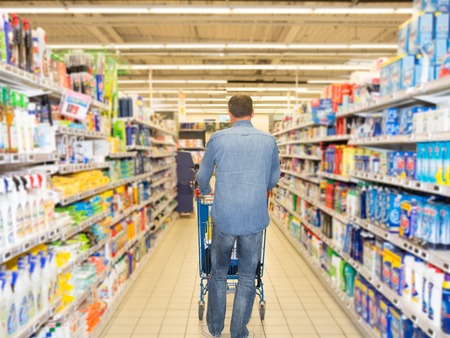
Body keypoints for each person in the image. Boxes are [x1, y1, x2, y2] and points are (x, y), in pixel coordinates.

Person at [197, 94, 280, 338]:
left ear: (230, 115)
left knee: (219, 273)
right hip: (254, 219)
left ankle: (214, 329)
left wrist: (207, 191)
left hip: (224, 218)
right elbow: (273, 179)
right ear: (252, 113)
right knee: (246, 276)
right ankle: (238, 332)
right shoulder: (269, 140)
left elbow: (202, 176)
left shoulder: (218, 138)